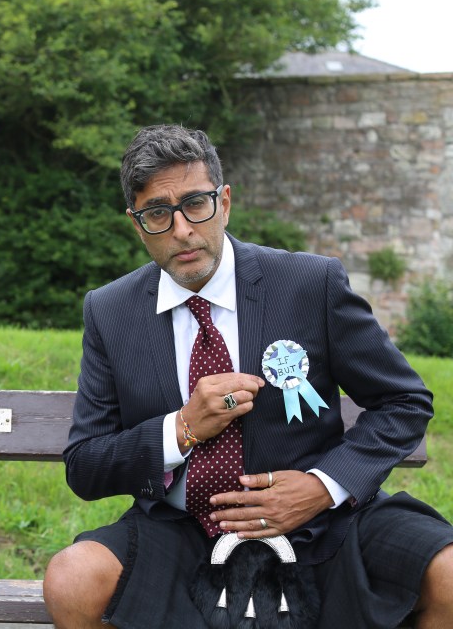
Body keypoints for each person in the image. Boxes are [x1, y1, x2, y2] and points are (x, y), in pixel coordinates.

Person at [42, 124, 453, 628]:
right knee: (72, 579)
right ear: (137, 223)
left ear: (225, 201)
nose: (182, 230)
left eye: (196, 203)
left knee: (450, 573)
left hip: (321, 524)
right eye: (157, 214)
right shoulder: (110, 311)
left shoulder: (309, 283)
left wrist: (321, 488)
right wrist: (182, 427)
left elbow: (404, 402)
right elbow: (85, 465)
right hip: (182, 531)